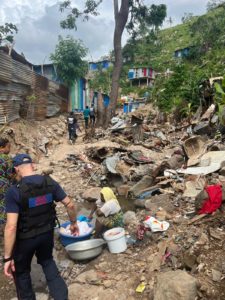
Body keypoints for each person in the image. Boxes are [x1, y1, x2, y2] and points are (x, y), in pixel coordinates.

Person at [3, 154, 79, 300]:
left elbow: (11, 227)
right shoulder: (50, 182)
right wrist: (74, 223)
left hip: (25, 239)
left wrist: (7, 258)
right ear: (33, 166)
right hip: (46, 234)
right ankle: (62, 297)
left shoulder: (14, 191)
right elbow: (70, 204)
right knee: (47, 261)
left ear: (16, 169)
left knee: (22, 272)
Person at [0, 138, 14, 234]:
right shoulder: (5, 158)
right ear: (1, 148)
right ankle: (3, 230)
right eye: (8, 147)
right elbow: (10, 174)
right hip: (3, 186)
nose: (9, 149)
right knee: (4, 206)